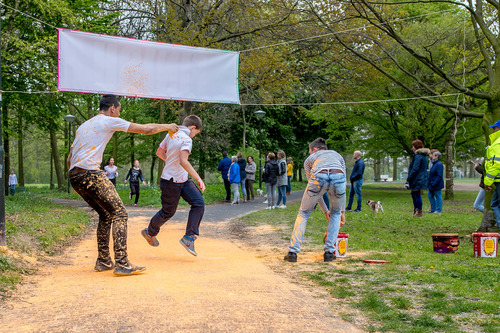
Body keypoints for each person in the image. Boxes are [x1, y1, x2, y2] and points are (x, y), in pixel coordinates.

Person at [67, 94, 178, 276]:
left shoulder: (84, 126)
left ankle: (103, 260)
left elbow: (70, 158)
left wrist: (74, 180)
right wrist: (168, 127)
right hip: (90, 173)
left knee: (106, 214)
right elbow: (146, 129)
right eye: (119, 110)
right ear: (112, 108)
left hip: (75, 175)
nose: (119, 114)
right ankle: (122, 263)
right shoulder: (107, 121)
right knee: (120, 213)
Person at [141, 115, 205, 256]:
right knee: (168, 212)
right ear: (192, 128)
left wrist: (171, 161)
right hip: (171, 182)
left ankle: (189, 237)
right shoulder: (187, 139)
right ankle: (149, 232)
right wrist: (199, 178)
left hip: (182, 179)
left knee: (198, 203)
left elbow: (159, 153)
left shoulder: (171, 133)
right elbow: (183, 161)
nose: (194, 136)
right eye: (196, 133)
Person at [284, 138, 346, 263]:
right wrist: (341, 212)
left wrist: (324, 210)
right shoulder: (338, 156)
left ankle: (293, 252)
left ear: (315, 149)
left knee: (303, 213)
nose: (309, 153)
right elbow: (343, 179)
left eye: (310, 151)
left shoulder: (309, 160)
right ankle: (329, 252)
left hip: (318, 176)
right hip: (338, 176)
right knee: (335, 214)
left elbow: (313, 188)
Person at [406, 140, 429, 217]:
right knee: (414, 193)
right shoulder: (424, 156)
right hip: (420, 178)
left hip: (417, 179)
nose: (412, 148)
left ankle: (419, 211)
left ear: (416, 147)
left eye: (413, 146)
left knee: (416, 194)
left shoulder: (418, 156)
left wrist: (409, 179)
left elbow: (415, 169)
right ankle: (416, 210)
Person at [484, 120, 500, 231]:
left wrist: (487, 182)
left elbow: (496, 164)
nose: (493, 129)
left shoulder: (498, 143)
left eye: (495, 127)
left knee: (495, 204)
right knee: (494, 204)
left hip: (499, 180)